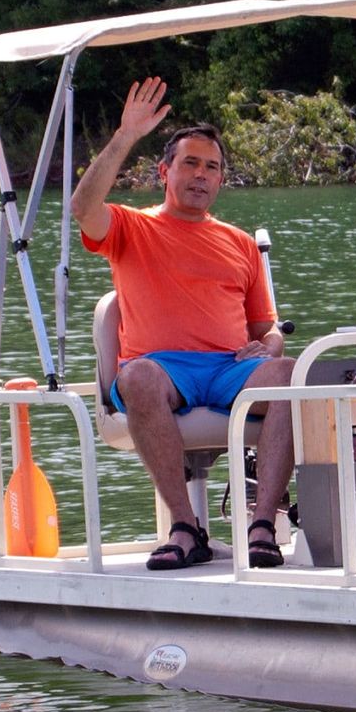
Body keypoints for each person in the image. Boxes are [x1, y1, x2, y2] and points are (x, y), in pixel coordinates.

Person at [69, 77, 293, 571]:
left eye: (212, 167)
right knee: (137, 377)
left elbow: (266, 328)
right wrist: (126, 134)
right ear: (164, 171)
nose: (201, 174)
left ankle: (262, 526)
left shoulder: (239, 243)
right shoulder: (132, 225)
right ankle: (186, 527)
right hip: (164, 369)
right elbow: (83, 209)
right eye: (190, 163)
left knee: (291, 374)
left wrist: (271, 346)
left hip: (230, 367)